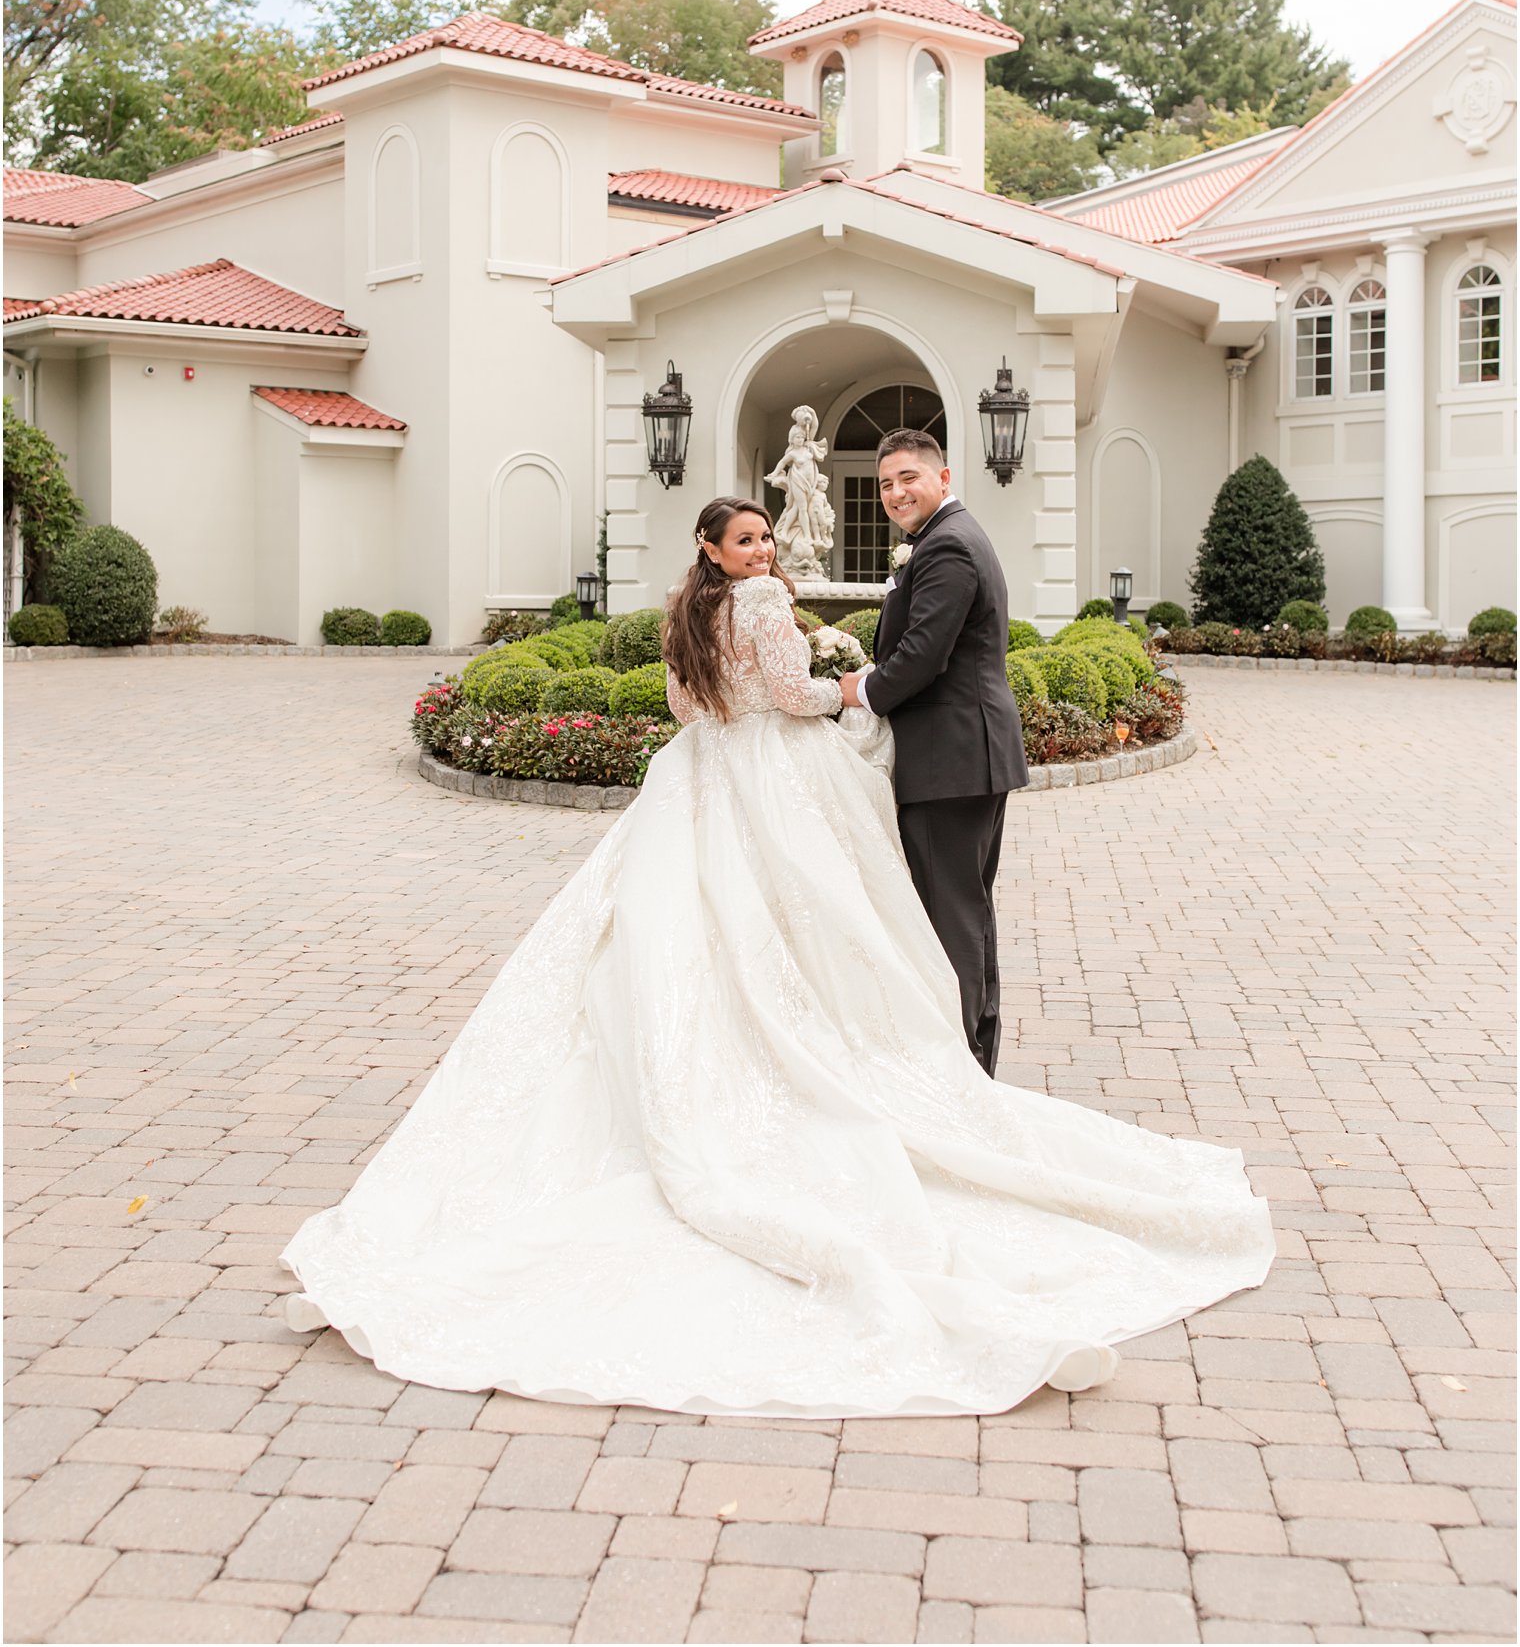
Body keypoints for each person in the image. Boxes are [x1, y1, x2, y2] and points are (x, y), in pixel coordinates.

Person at [281, 495, 1273, 1416]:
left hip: (698, 773)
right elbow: (791, 696)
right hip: (769, 771)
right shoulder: (758, 601)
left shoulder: (684, 612)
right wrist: (841, 684)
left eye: (764, 538)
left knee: (682, 928)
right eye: (746, 539)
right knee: (811, 920)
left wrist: (769, 688)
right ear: (716, 550)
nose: (761, 552)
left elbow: (680, 711)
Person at [839, 429, 1025, 1075]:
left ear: (942, 477)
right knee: (966, 911)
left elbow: (921, 656)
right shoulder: (944, 538)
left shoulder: (948, 546)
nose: (895, 492)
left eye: (908, 477)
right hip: (961, 755)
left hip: (951, 760)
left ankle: (964, 1070)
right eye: (885, 483)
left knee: (951, 917)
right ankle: (975, 1057)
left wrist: (856, 688)